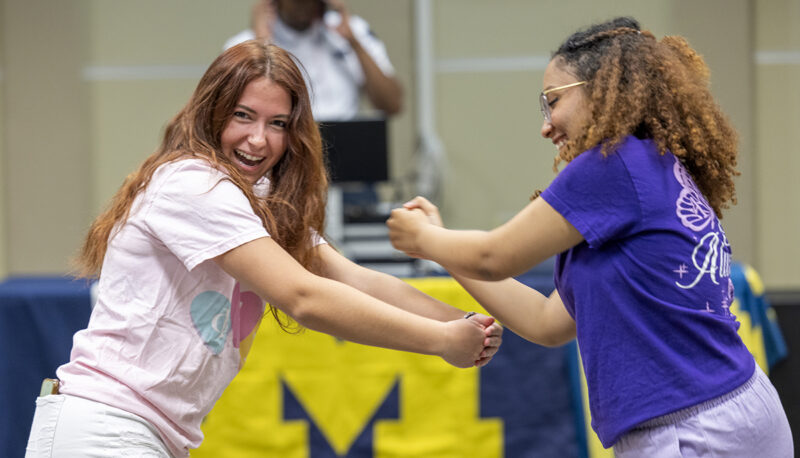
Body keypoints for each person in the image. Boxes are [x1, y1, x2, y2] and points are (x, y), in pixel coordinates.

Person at [24, 41, 501, 458]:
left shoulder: (257, 199)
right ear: (211, 112)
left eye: (277, 123)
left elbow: (355, 279)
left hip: (145, 433)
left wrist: (460, 322)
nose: (258, 139)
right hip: (104, 427)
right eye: (243, 116)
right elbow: (304, 297)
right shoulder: (193, 184)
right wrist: (440, 342)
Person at [387, 16, 793, 457]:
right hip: (727, 413)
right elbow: (547, 322)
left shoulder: (612, 164)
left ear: (600, 89)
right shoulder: (646, 167)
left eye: (552, 101)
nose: (546, 126)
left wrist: (422, 238)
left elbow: (493, 256)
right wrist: (444, 247)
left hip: (694, 428)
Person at [224, 0, 402, 121]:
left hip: (347, 152)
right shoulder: (245, 43)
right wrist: (262, 44)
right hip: (284, 154)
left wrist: (354, 43)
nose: (306, 6)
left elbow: (392, 104)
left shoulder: (352, 31)